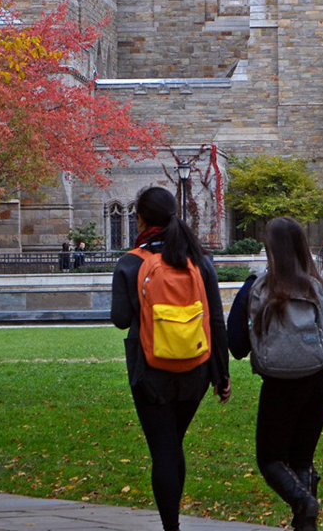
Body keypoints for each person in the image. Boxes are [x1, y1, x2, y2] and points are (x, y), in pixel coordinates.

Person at [228, 217, 323, 531]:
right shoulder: (318, 286)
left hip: (278, 381)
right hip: (319, 377)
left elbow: (237, 345)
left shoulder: (256, 285)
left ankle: (303, 503)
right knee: (301, 458)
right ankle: (305, 524)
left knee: (270, 459)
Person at [111, 186, 232, 531]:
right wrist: (221, 374)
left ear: (142, 218)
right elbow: (216, 319)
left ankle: (171, 528)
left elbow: (120, 318)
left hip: (149, 370)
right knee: (173, 442)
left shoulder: (131, 262)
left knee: (163, 448)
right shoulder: (199, 260)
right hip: (196, 369)